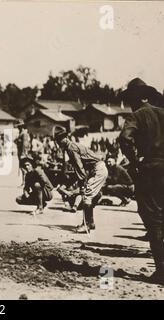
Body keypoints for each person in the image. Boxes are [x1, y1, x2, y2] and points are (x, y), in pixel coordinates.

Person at [118, 77, 164, 284]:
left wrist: (135, 162)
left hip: (151, 169)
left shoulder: (137, 115)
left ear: (134, 99)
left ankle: (161, 271)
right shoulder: (162, 112)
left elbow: (124, 139)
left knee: (153, 220)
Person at [54, 126, 108, 233]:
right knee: (90, 196)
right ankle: (90, 223)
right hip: (97, 170)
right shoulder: (72, 146)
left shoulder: (71, 148)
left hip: (98, 169)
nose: (59, 144)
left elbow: (79, 168)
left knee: (86, 196)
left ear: (64, 139)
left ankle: (86, 225)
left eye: (60, 141)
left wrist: (82, 185)